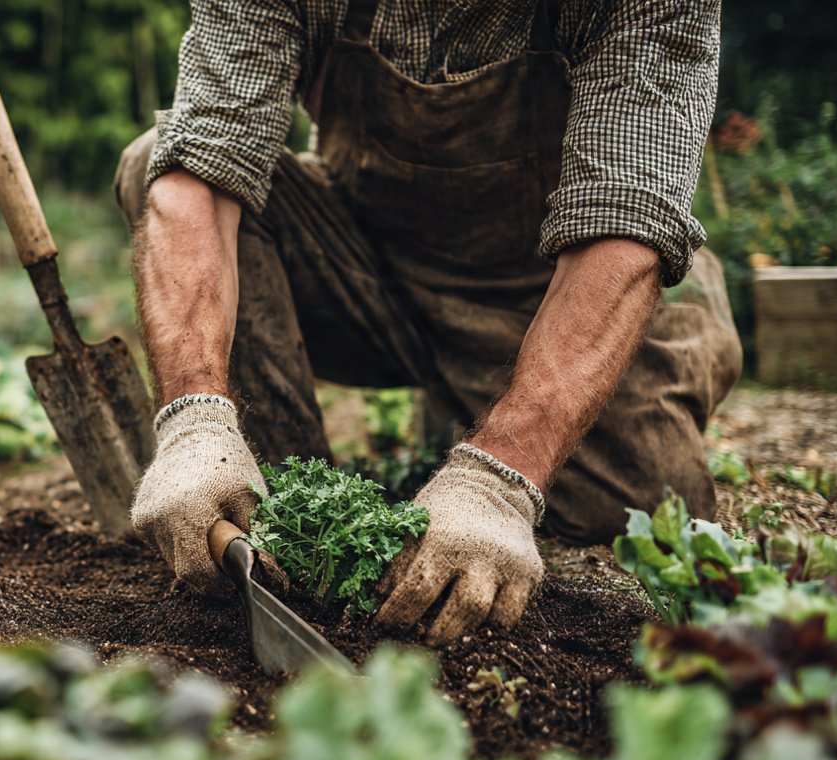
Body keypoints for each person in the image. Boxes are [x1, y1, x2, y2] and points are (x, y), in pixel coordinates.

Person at [115, 0, 742, 644]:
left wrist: (500, 477)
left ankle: (484, 419)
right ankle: (278, 529)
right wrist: (192, 418)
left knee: (643, 503)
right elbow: (202, 174)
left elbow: (624, 222)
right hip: (369, 268)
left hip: (547, 293)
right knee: (156, 161)